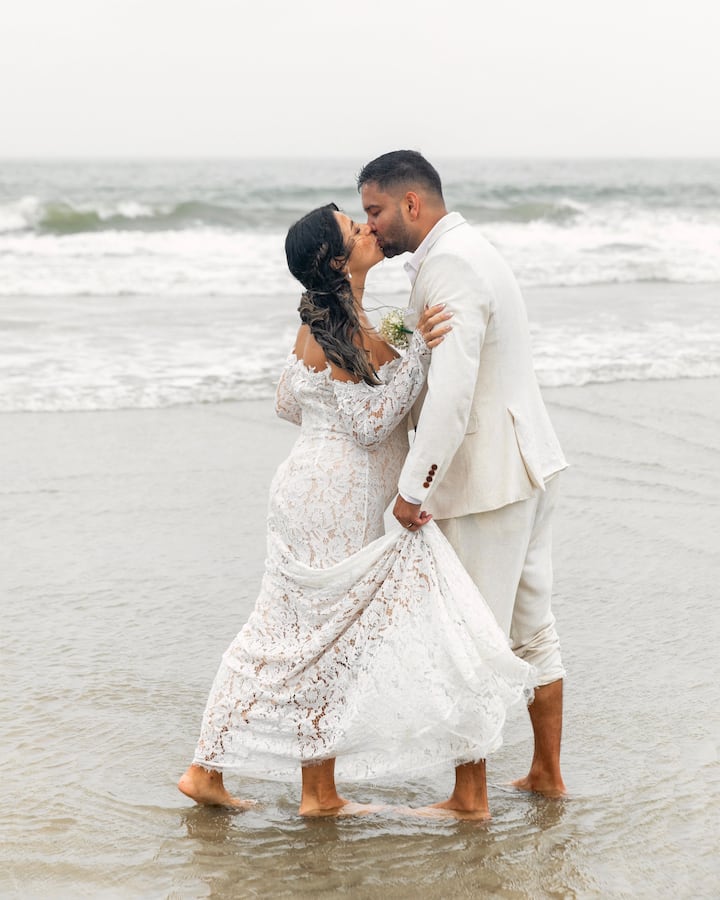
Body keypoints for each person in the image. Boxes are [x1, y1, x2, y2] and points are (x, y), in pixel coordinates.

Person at [177, 202, 535, 818]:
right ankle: (228, 773)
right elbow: (370, 427)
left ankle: (294, 786)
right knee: (314, 638)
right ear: (340, 262)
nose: (368, 228)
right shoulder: (348, 327)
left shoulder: (324, 320)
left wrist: (366, 378)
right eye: (354, 228)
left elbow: (289, 401)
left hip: (305, 486)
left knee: (301, 635)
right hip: (339, 497)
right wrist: (418, 353)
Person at [357, 151, 569, 797]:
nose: (371, 226)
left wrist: (413, 488)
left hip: (486, 482)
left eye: (375, 211)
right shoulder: (473, 248)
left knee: (470, 635)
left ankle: (469, 799)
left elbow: (452, 393)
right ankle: (546, 774)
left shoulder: (449, 263)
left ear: (411, 203)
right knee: (531, 630)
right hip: (527, 464)